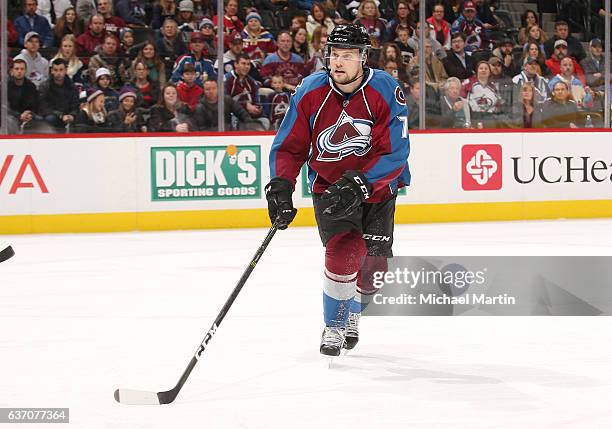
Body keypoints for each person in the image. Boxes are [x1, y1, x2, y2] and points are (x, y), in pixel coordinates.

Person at [264, 24, 411, 357]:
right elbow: (289, 146)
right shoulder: (310, 91)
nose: (338, 63)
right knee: (345, 251)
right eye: (334, 55)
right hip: (331, 187)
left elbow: (396, 151)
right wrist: (281, 185)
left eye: (347, 56)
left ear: (363, 58)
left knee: (374, 267)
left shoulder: (386, 89)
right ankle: (334, 324)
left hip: (376, 188)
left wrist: (362, 181)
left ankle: (352, 312)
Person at [225, 53, 270, 130]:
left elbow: (256, 101)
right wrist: (245, 106)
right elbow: (225, 102)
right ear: (236, 64)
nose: (246, 67)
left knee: (265, 121)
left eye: (248, 64)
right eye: (243, 64)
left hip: (249, 115)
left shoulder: (252, 82)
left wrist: (257, 109)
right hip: (233, 114)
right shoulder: (226, 79)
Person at [39, 58, 80, 131]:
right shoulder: (45, 86)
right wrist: (60, 115)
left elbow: (75, 105)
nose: (58, 73)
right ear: (52, 71)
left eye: (61, 70)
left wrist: (72, 115)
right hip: (53, 115)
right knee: (50, 119)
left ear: (65, 70)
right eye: (56, 70)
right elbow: (43, 107)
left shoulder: (72, 86)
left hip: (68, 115)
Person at [8, 59, 43, 134]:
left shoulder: (31, 86)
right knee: (10, 121)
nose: (19, 71)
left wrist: (29, 112)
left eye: (22, 69)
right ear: (12, 71)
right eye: (17, 69)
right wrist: (19, 115)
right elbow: (4, 107)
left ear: (26, 71)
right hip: (11, 116)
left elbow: (35, 104)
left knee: (42, 121)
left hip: (27, 115)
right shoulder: (5, 86)